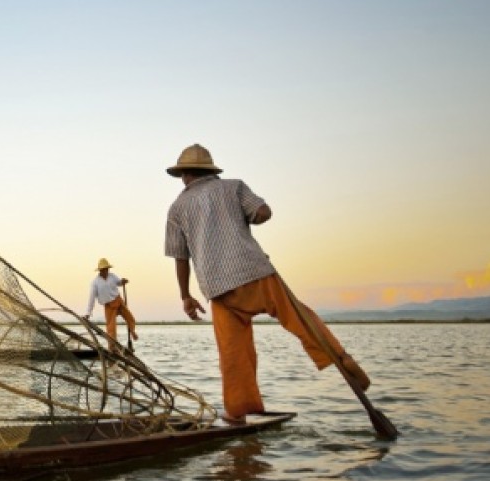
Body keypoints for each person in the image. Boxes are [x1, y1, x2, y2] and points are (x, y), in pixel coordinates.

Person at [163, 143, 370, 424]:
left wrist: (185, 296)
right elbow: (263, 212)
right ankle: (341, 358)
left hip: (217, 287)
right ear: (209, 171)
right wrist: (257, 217)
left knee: (233, 353)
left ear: (185, 175)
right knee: (298, 317)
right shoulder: (233, 187)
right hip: (253, 270)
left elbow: (180, 257)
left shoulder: (177, 208)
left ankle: (237, 410)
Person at [84, 258, 139, 345]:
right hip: (108, 306)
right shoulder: (95, 283)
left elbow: (119, 283)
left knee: (130, 318)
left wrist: (123, 282)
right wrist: (88, 313)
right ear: (100, 270)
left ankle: (132, 331)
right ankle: (112, 347)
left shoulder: (112, 276)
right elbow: (91, 299)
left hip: (118, 301)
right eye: (104, 269)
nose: (106, 271)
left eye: (107, 269)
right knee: (111, 329)